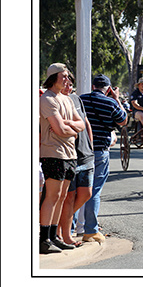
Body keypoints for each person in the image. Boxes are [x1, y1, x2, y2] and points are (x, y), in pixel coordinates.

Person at [39, 63, 86, 254]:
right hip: (53, 153)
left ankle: (54, 236)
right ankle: (44, 239)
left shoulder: (67, 99)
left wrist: (67, 125)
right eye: (63, 76)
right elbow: (59, 130)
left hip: (70, 154)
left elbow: (81, 124)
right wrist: (71, 131)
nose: (67, 79)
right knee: (52, 196)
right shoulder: (47, 99)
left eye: (68, 76)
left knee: (61, 196)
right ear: (53, 78)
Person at [80, 74, 127, 243]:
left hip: (80, 151)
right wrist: (117, 99)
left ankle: (69, 228)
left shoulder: (80, 99)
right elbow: (123, 120)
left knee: (74, 191)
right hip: (100, 151)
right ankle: (90, 230)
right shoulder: (110, 102)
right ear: (108, 89)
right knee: (94, 191)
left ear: (93, 86)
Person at [58, 74, 94, 247]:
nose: (68, 86)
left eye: (70, 84)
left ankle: (58, 222)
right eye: (65, 83)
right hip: (70, 155)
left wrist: (91, 145)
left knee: (86, 194)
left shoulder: (76, 99)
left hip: (85, 153)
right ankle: (66, 235)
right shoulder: (55, 102)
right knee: (69, 197)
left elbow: (85, 123)